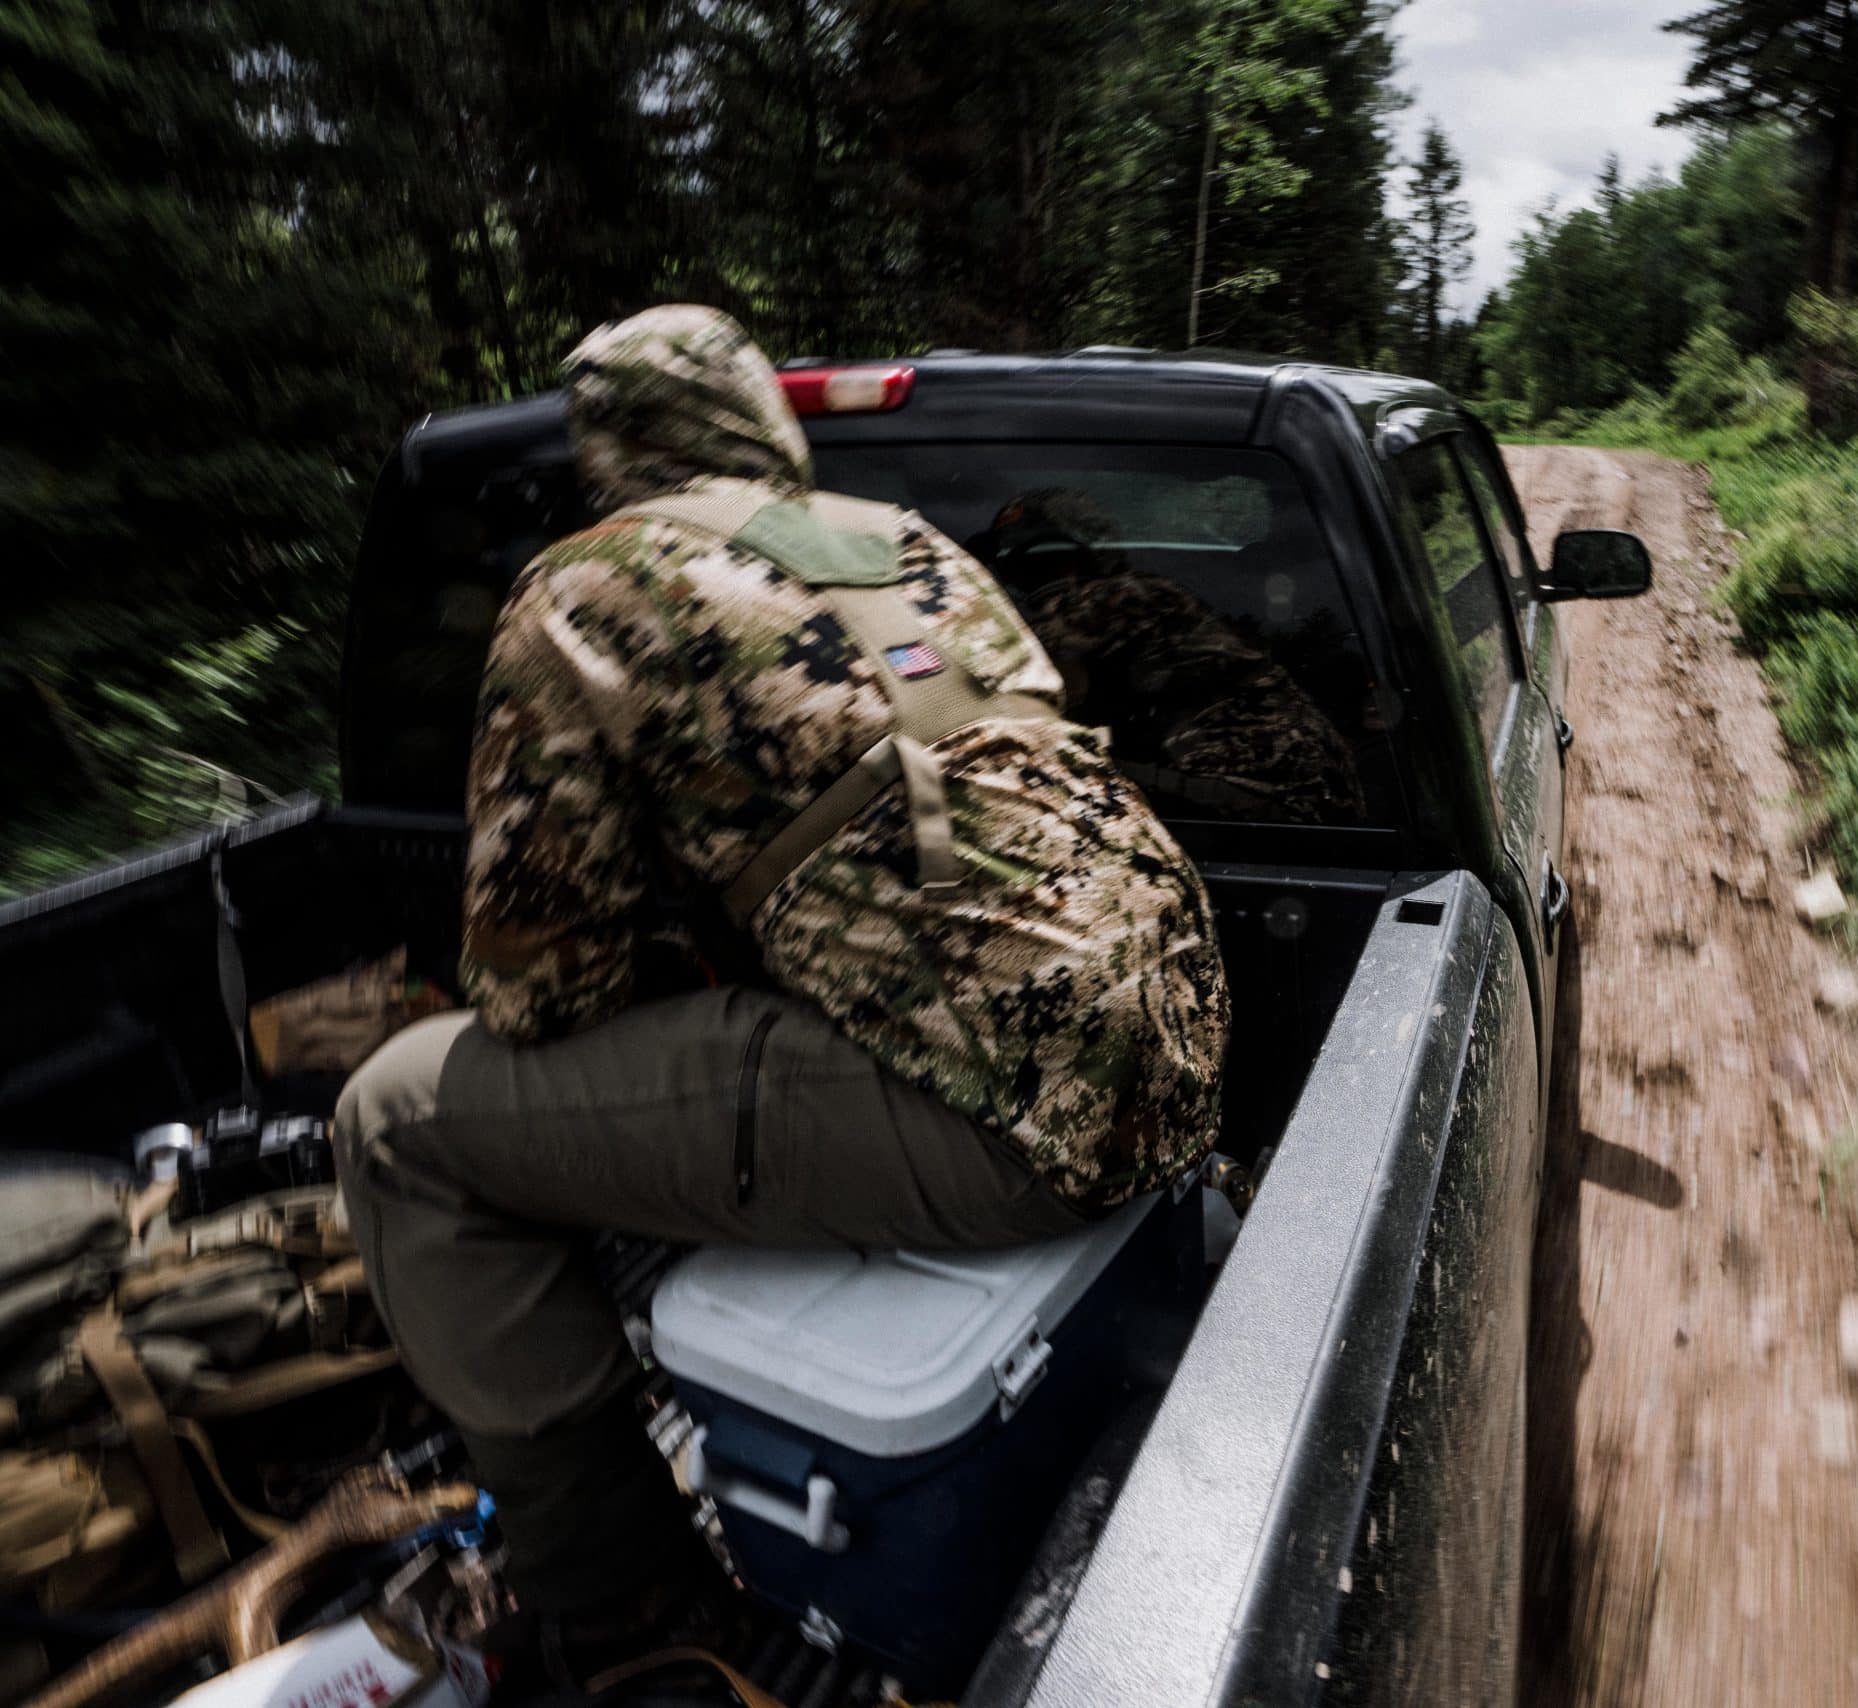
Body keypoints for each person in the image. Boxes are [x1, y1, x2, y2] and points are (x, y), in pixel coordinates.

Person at [331, 306, 1229, 1683]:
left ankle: (616, 1593)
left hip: (1016, 1118)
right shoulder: (914, 551)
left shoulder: (586, 584)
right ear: (761, 421)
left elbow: (535, 984)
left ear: (611, 446)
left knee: (397, 1119)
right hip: (1177, 1037)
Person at [968, 487, 1366, 825]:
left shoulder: (1120, 599)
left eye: (1031, 560)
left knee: (1043, 772)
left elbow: (999, 673)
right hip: (1289, 790)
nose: (1016, 576)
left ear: (1074, 557)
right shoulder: (1140, 595)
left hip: (1274, 797)